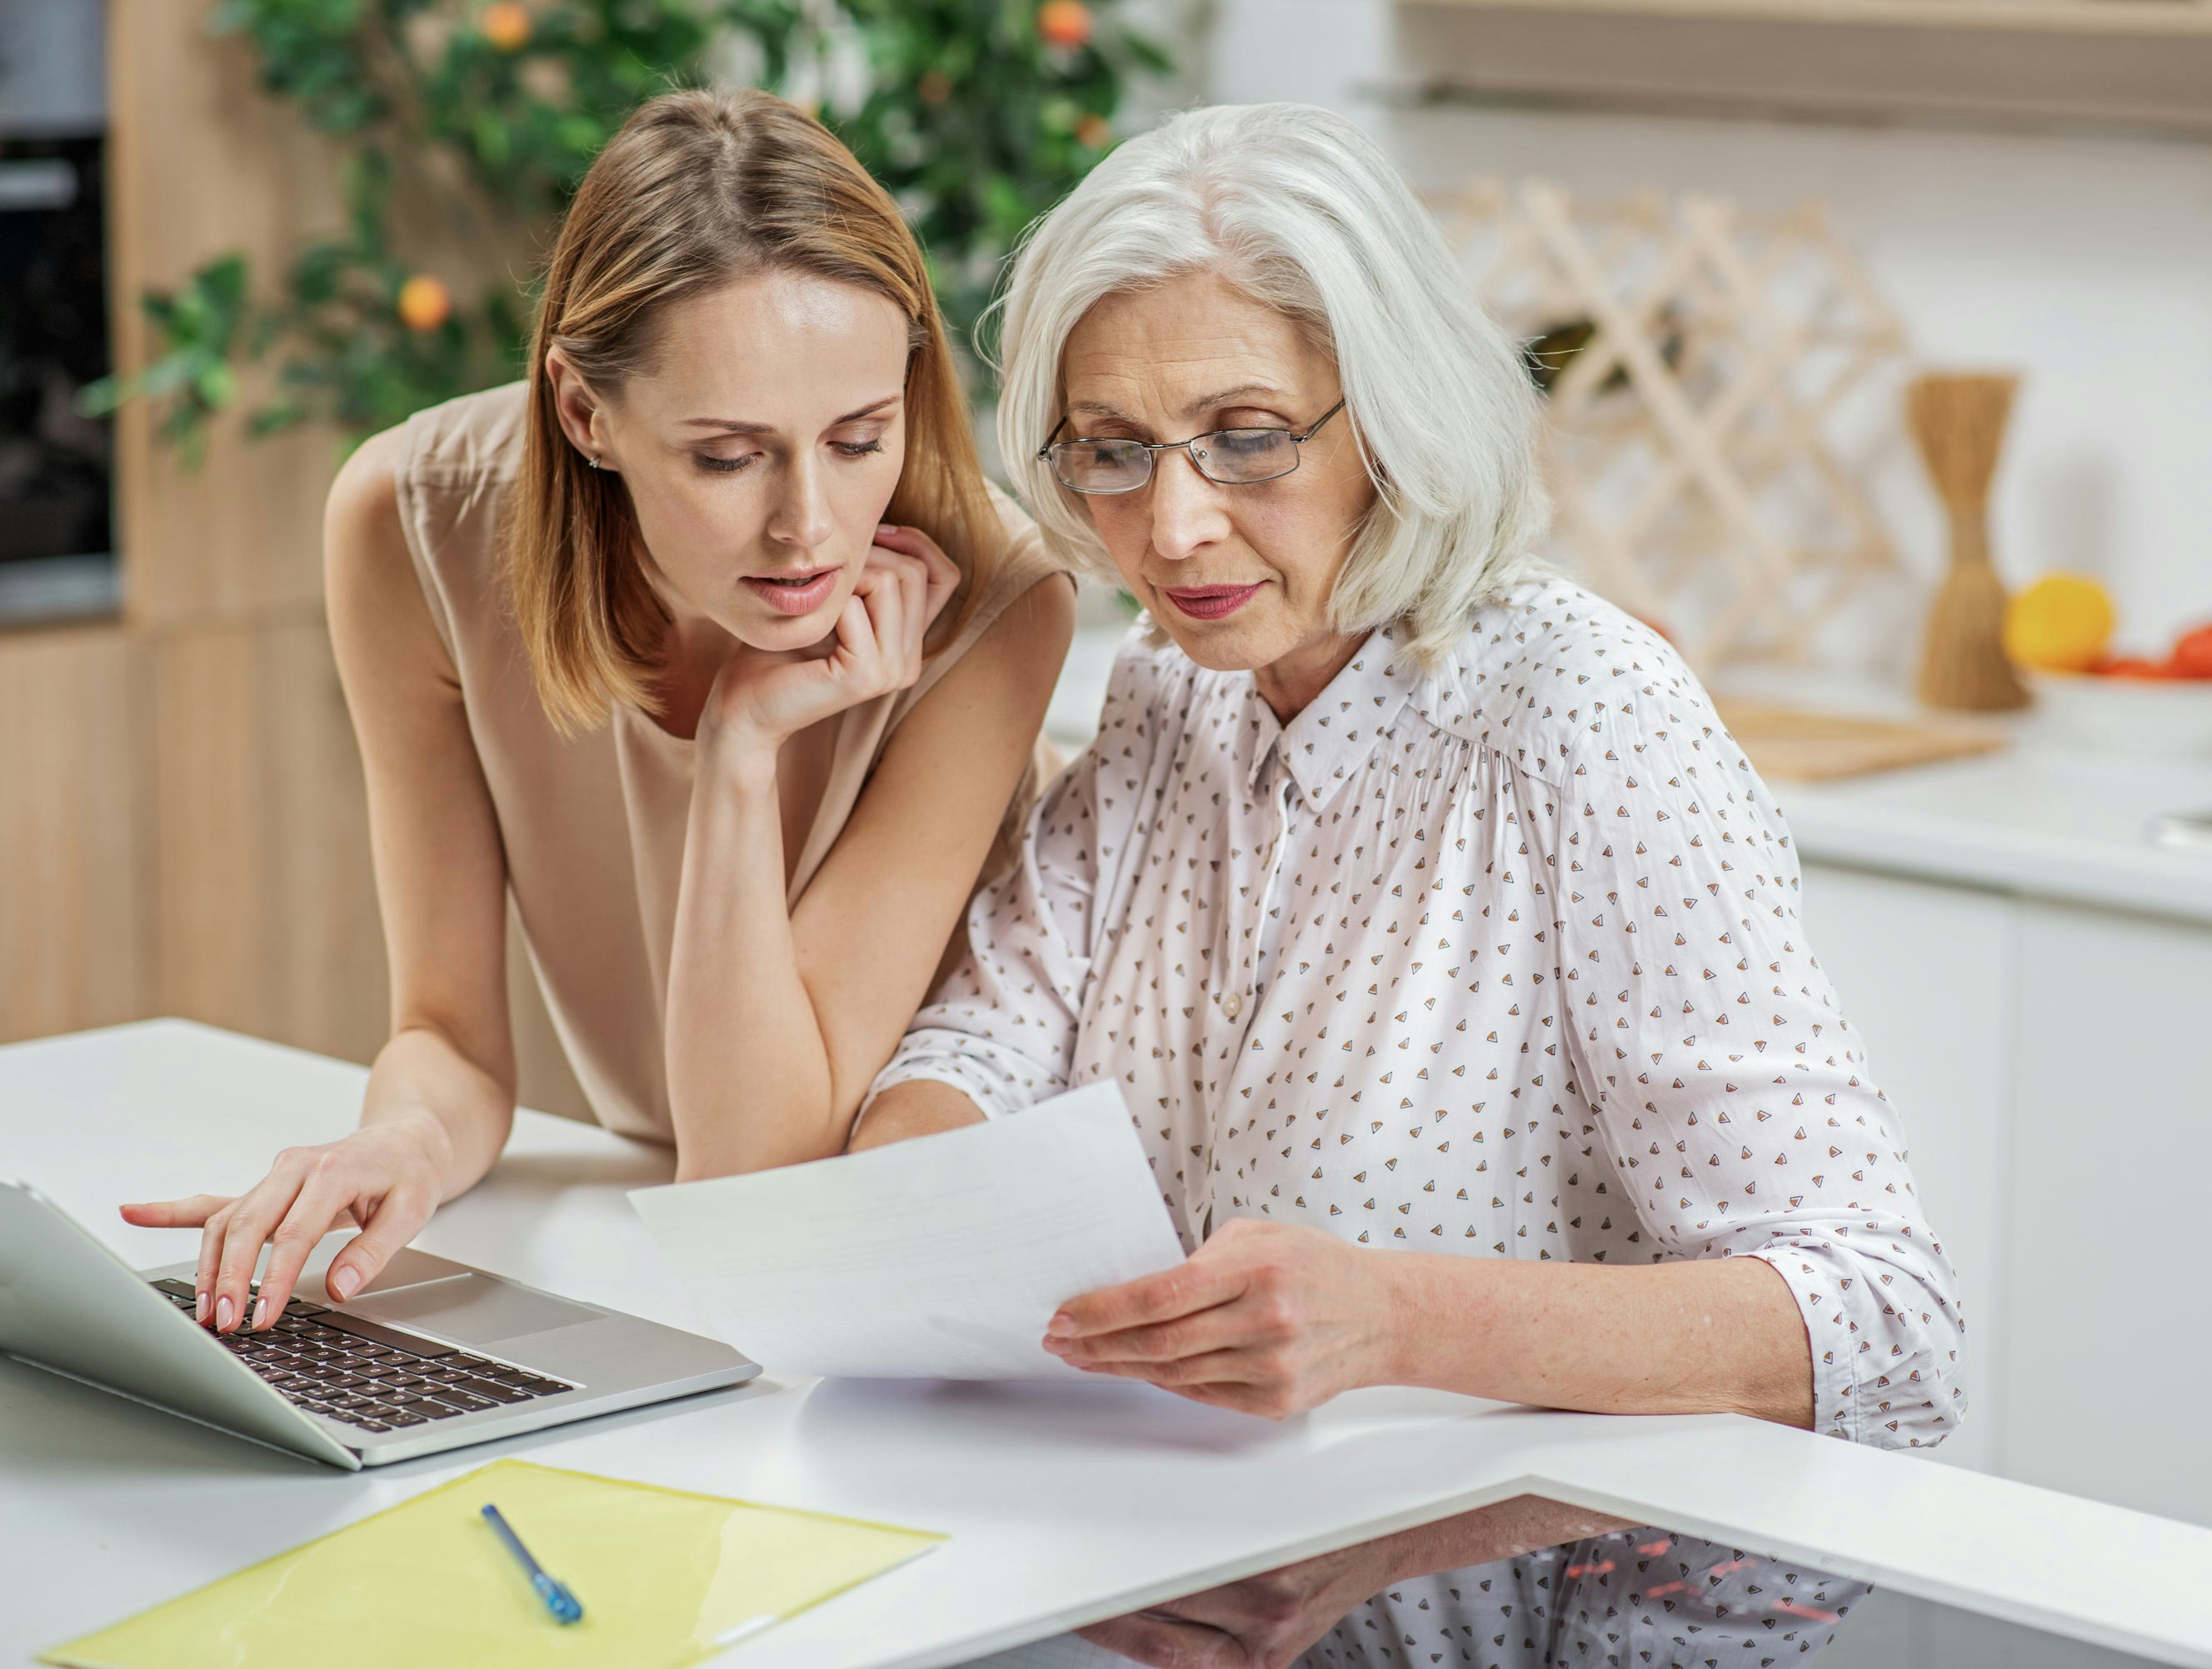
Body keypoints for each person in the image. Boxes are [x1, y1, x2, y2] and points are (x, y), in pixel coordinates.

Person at [860, 102, 1960, 1667]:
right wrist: (904, 1218)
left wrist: (1398, 1319)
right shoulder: (1172, 690)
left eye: (1248, 436)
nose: (1172, 527)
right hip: (1182, 1593)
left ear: (1392, 412)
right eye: (1111, 451)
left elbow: (1883, 1322)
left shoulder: (1584, 717)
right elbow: (980, 1044)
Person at [123, 88, 1073, 1336]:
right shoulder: (416, 529)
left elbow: (758, 1184)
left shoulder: (993, 606)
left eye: (859, 437)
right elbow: (450, 1037)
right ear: (584, 412)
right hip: (671, 1244)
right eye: (728, 456)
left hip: (907, 1279)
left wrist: (739, 751)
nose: (810, 526)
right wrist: (403, 1138)